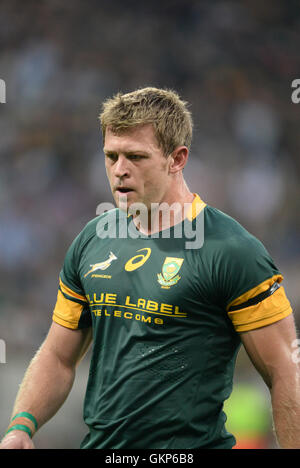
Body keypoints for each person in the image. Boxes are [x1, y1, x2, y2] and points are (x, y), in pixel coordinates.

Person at [1, 87, 299, 449]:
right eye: (111, 156)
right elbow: (59, 356)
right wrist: (21, 425)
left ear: (177, 158)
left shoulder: (233, 251)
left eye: (135, 157)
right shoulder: (93, 239)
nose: (119, 171)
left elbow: (284, 372)